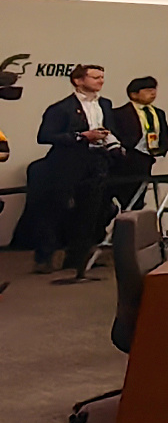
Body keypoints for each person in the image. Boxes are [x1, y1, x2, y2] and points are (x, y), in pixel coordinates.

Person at [31, 64, 123, 273]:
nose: (100, 81)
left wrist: (114, 145)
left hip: (97, 161)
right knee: (58, 209)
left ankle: (79, 257)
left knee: (92, 210)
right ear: (78, 81)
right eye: (95, 77)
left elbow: (109, 130)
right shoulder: (61, 108)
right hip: (68, 163)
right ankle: (46, 256)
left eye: (102, 77)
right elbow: (45, 136)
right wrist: (81, 136)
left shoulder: (105, 104)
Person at [106, 75, 168, 217]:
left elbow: (164, 135)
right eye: (148, 90)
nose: (153, 93)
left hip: (147, 159)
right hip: (126, 160)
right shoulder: (119, 113)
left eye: (154, 90)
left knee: (139, 197)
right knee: (123, 195)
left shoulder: (158, 113)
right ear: (134, 94)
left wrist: (163, 147)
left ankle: (135, 222)